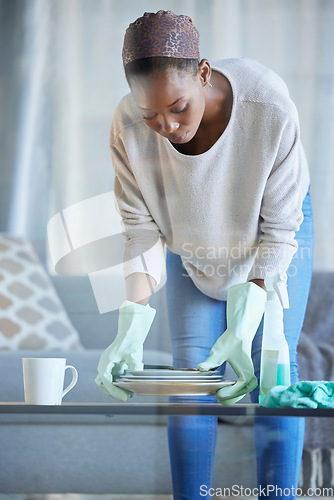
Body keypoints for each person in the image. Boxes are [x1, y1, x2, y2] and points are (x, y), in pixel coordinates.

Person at [95, 10, 313, 500]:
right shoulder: (128, 127)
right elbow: (140, 229)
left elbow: (280, 231)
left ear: (204, 73)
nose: (166, 126)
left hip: (270, 233)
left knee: (272, 369)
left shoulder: (267, 106)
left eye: (177, 107)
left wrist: (246, 318)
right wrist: (132, 317)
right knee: (189, 376)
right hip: (189, 240)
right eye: (151, 114)